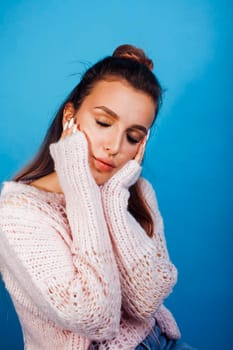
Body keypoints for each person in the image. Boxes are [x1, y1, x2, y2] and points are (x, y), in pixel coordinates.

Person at [0, 45, 195, 350]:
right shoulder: (18, 212)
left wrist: (114, 197)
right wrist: (80, 186)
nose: (115, 146)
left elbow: (145, 302)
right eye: (103, 123)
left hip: (163, 341)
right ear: (70, 116)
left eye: (133, 137)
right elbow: (96, 317)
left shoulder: (136, 192)